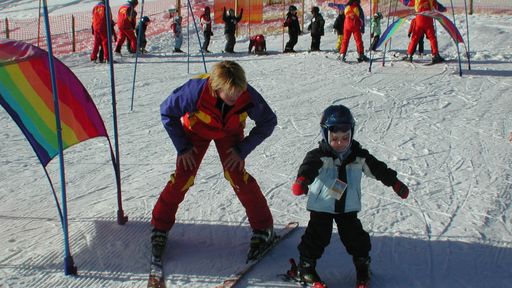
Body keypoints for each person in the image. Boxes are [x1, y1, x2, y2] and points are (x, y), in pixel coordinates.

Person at [150, 60, 277, 263]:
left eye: (239, 92)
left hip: (230, 132)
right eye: (231, 93)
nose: (236, 97)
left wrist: (242, 150)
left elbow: (268, 121)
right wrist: (183, 148)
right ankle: (159, 227)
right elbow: (167, 111)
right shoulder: (195, 92)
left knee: (237, 176)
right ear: (216, 88)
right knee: (183, 177)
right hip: (196, 131)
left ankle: (263, 228)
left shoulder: (246, 93)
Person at [291, 104, 410, 287]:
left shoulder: (358, 156)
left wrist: (394, 182)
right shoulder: (319, 156)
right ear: (325, 135)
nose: (340, 143)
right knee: (317, 236)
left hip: (347, 207)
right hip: (322, 206)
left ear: (351, 134)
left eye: (345, 138)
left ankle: (363, 265)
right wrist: (302, 181)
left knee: (355, 237)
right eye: (335, 138)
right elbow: (308, 168)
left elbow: (378, 169)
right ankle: (305, 267)